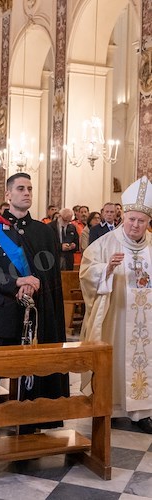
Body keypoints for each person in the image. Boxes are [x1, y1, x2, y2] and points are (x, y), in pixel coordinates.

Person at [0, 172, 68, 438]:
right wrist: (16, 282)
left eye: (30, 189)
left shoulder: (43, 231)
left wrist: (34, 282)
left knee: (30, 376)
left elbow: (50, 275)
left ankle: (27, 428)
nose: (26, 193)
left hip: (34, 316)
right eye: (21, 188)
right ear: (8, 195)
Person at [80, 176, 152, 433]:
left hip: (148, 321)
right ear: (124, 217)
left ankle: (143, 411)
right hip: (115, 317)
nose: (135, 225)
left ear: (148, 222)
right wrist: (106, 269)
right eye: (131, 219)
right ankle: (110, 406)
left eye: (141, 221)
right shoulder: (104, 244)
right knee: (115, 357)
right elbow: (86, 274)